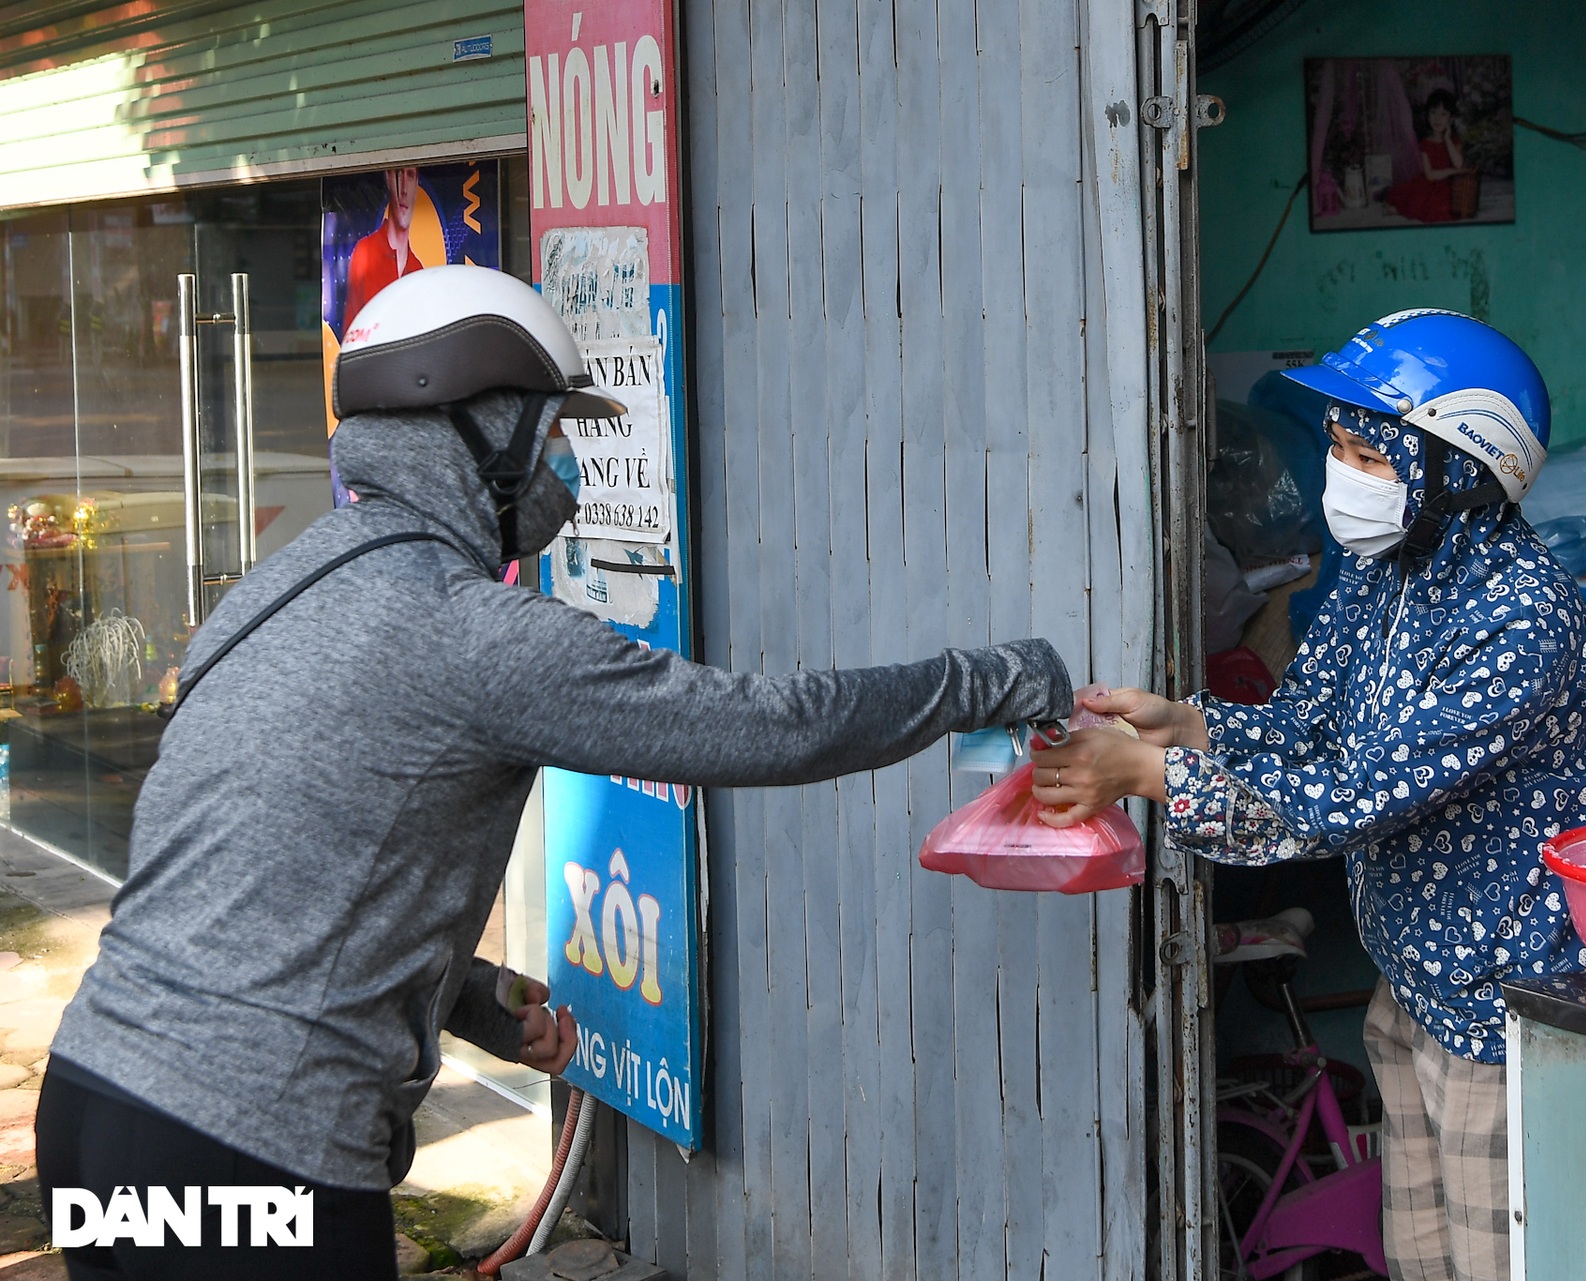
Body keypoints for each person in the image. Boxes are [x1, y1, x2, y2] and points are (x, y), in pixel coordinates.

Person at [37, 265, 1074, 1279]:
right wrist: (989, 679)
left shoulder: (275, 593)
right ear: (479, 429)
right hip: (250, 1143)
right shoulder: (465, 629)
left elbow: (282, 877)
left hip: (96, 1103)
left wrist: (475, 997)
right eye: (554, 431)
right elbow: (768, 728)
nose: (565, 463)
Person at [1033, 311, 1586, 1281]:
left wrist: (1156, 778)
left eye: (1362, 450)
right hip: (1413, 990)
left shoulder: (1522, 622)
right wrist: (1188, 725)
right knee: (1421, 1260)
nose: (1340, 470)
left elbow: (1346, 799)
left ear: (1459, 468)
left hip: (1498, 1020)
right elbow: (1309, 727)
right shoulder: (1390, 575)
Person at [342, 167, 424, 332]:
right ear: (388, 178)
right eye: (398, 174)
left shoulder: (419, 271)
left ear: (416, 184)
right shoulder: (366, 252)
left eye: (410, 176)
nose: (403, 190)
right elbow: (351, 338)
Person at [1384, 89, 1473, 224]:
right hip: (1429, 183)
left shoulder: (1454, 140)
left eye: (1443, 114)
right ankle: (1397, 207)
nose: (1437, 118)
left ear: (1451, 118)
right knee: (1419, 201)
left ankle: (1397, 207)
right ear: (1427, 115)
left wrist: (1448, 139)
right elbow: (1430, 175)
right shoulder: (1425, 144)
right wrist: (1453, 171)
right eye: (1433, 113)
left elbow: (1459, 164)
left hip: (1449, 185)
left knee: (1451, 204)